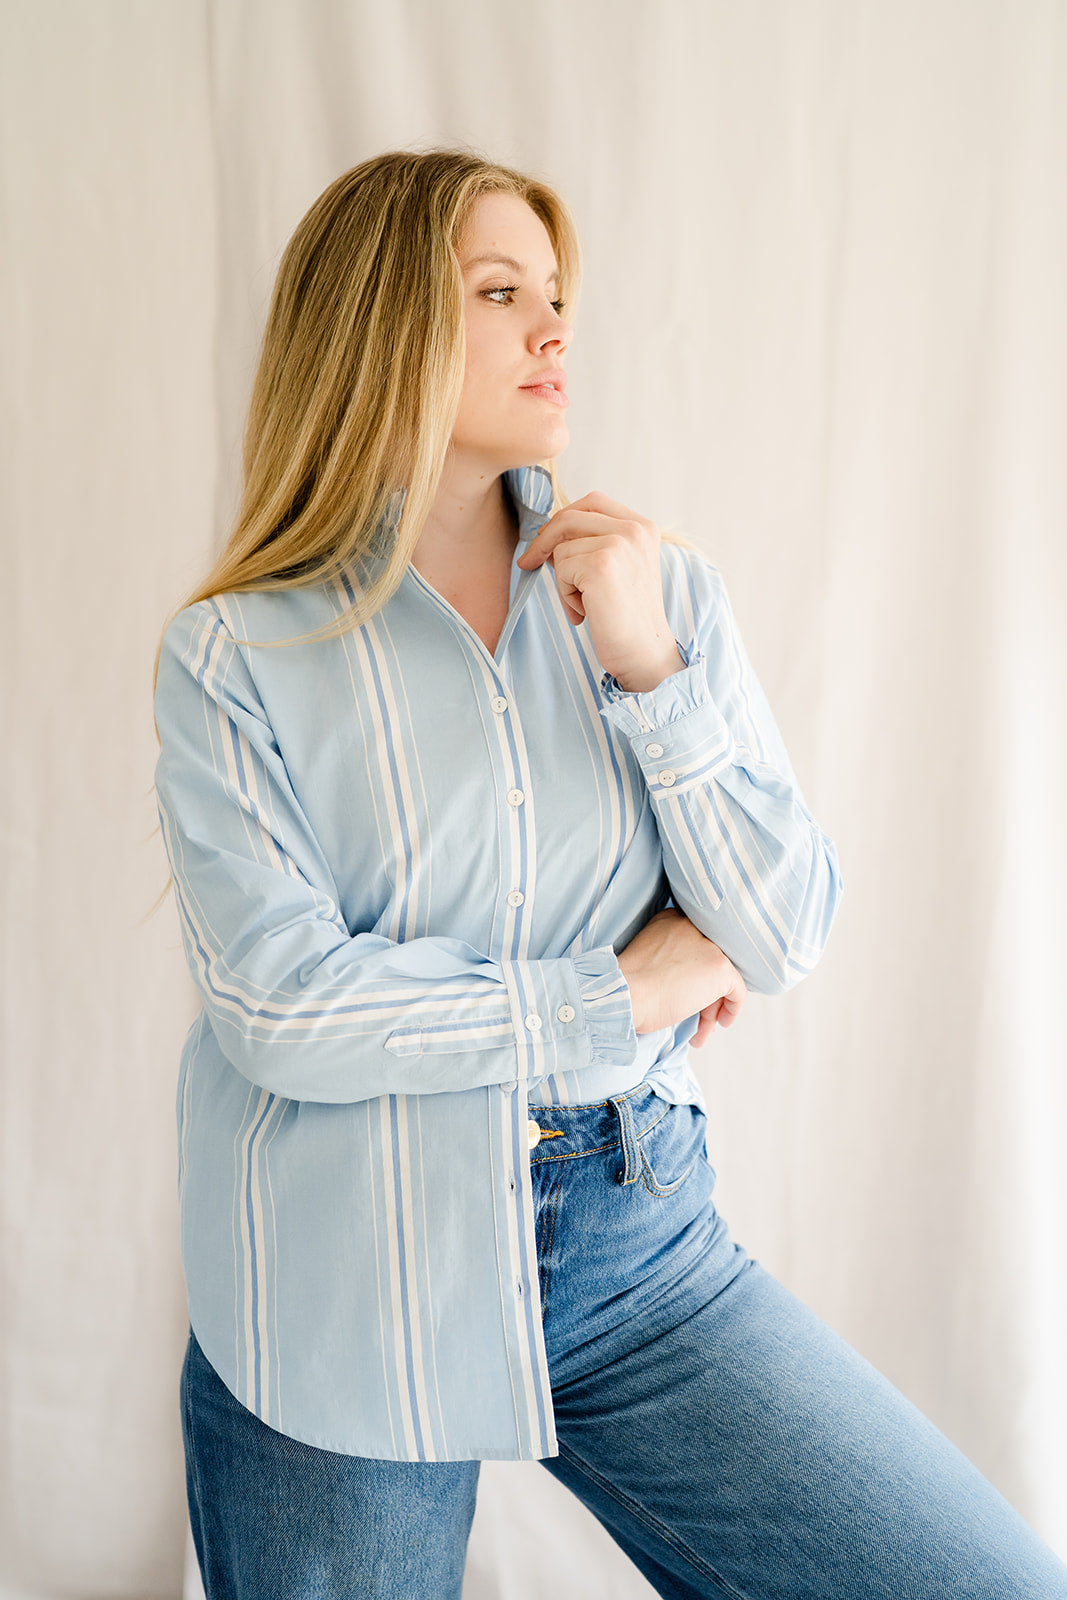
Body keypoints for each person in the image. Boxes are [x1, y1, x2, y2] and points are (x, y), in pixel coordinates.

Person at [152, 148, 1067, 1600]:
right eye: (499, 293)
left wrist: (648, 667)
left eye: (556, 292)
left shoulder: (659, 594)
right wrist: (623, 991)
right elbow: (284, 1007)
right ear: (382, 326)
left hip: (635, 1238)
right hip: (342, 1277)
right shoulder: (235, 655)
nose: (553, 326)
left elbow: (781, 928)